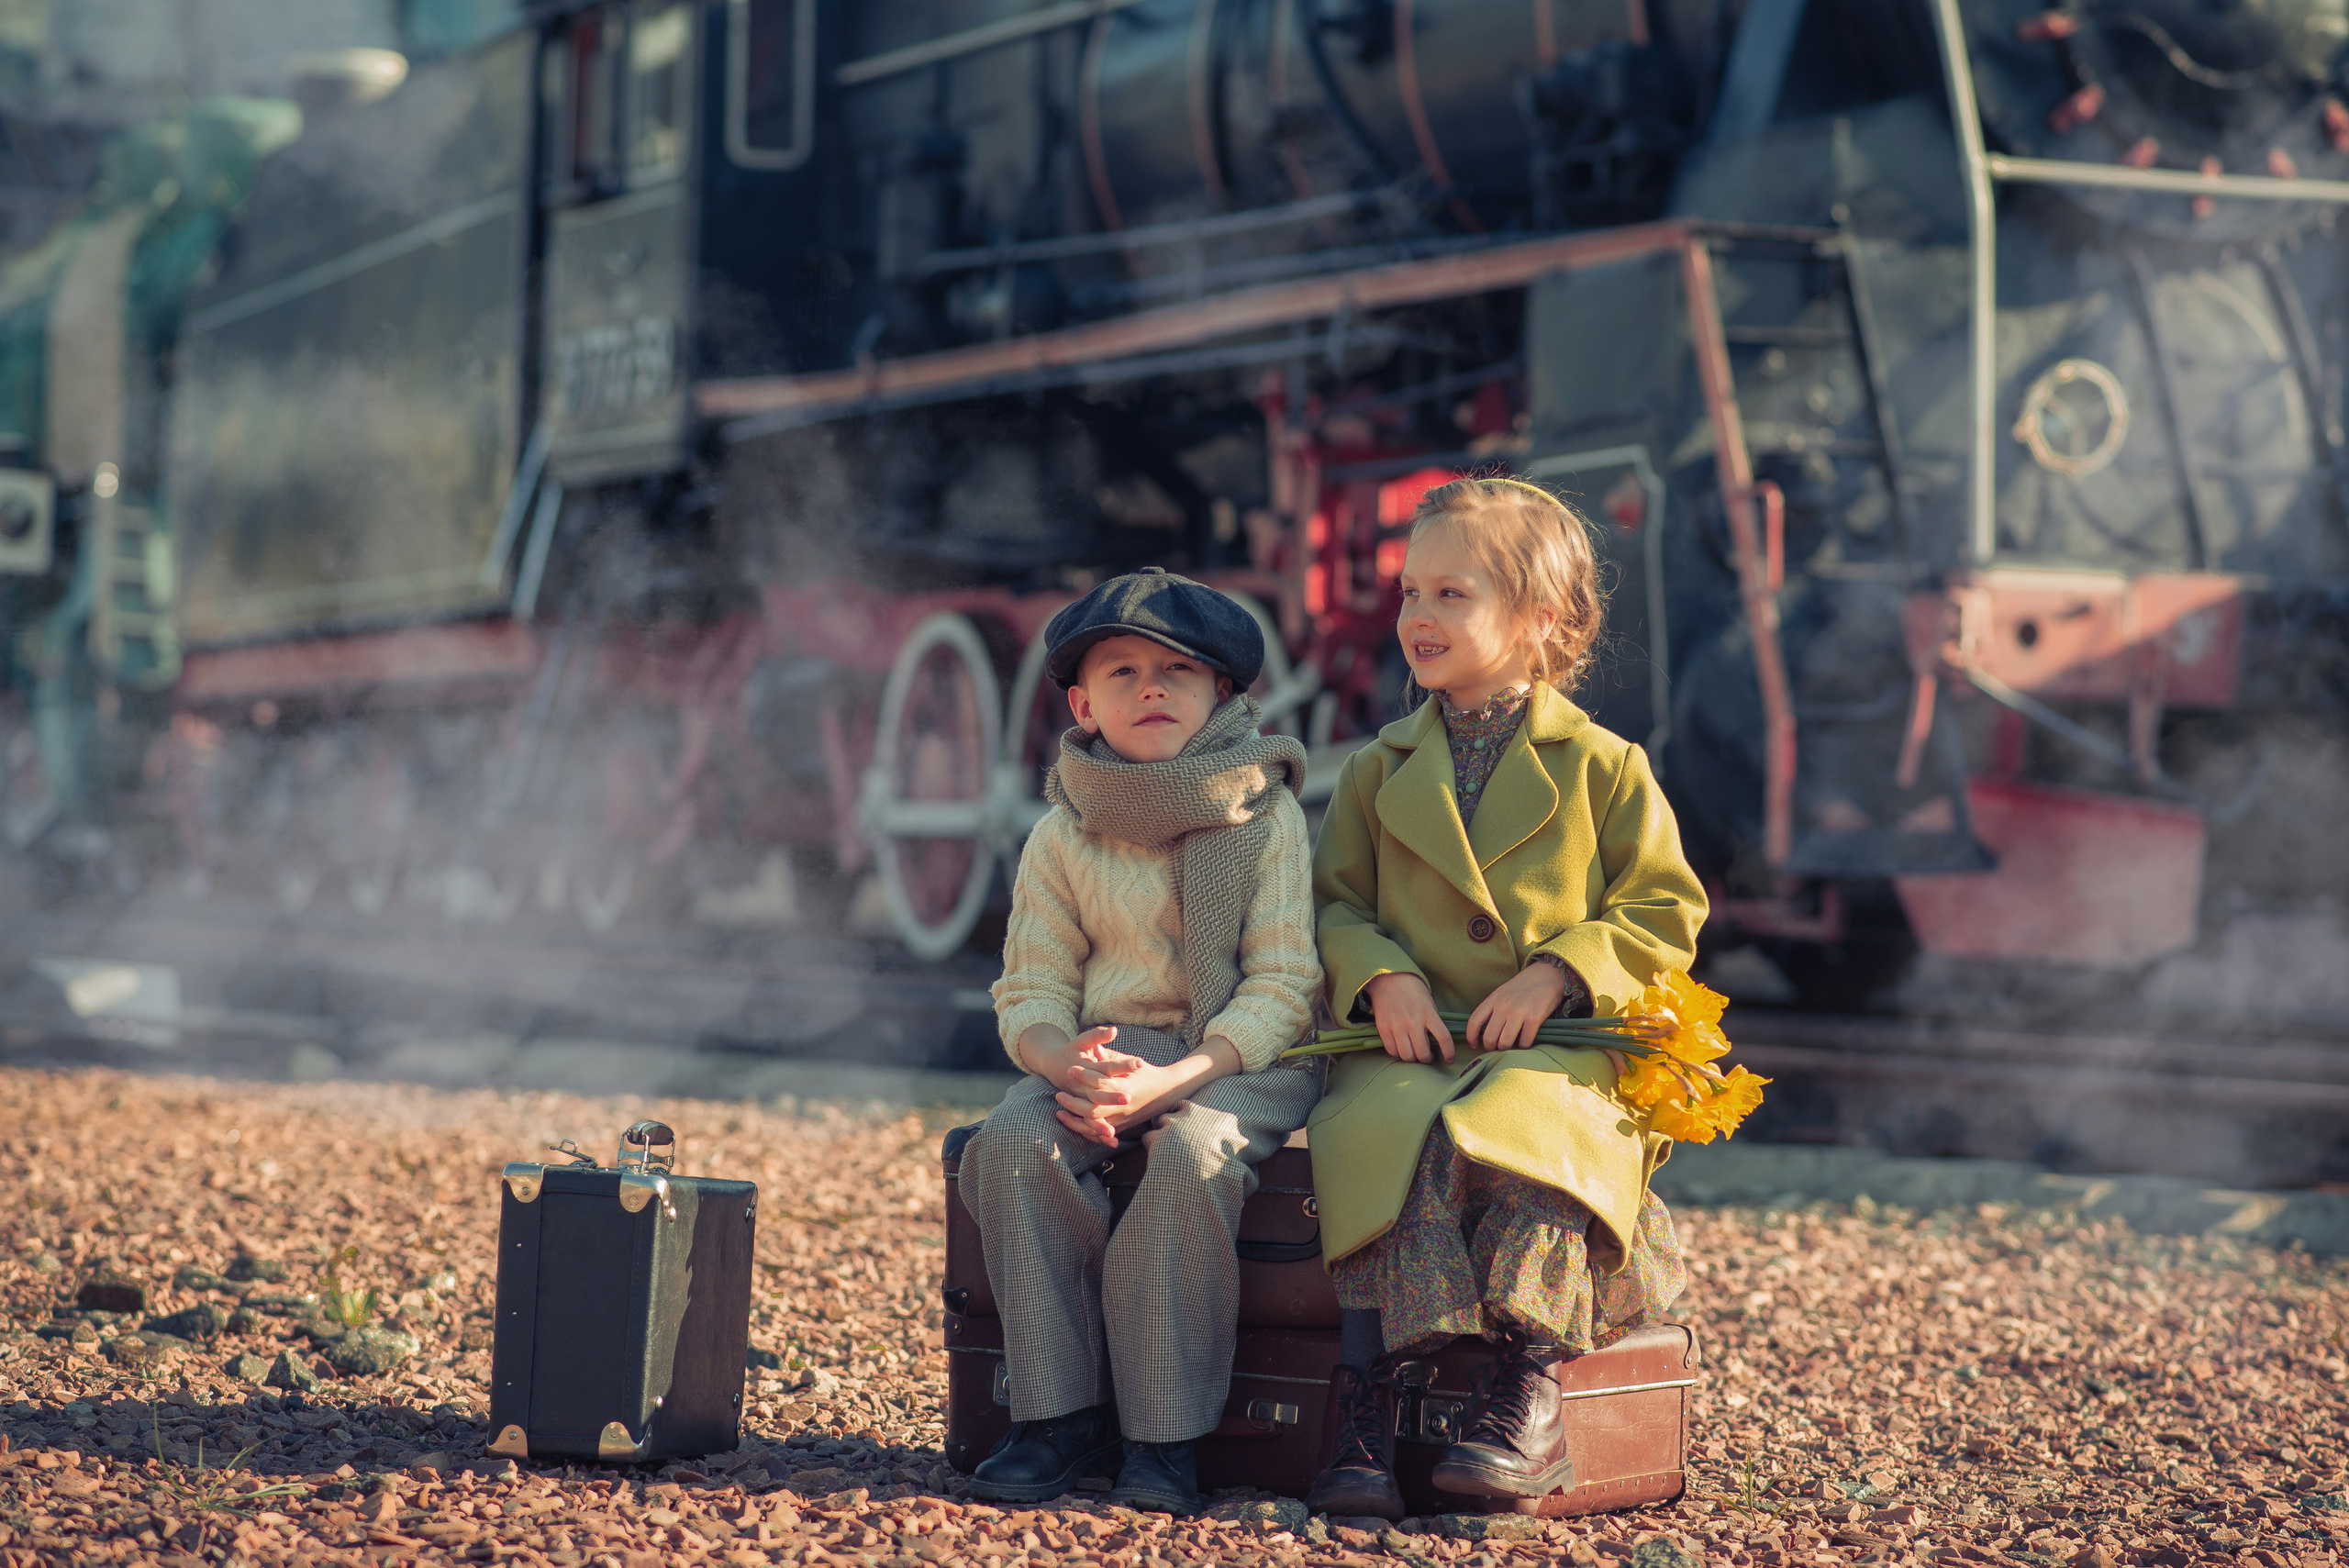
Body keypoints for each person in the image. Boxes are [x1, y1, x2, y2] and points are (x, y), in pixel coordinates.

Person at [1300, 477, 1708, 1518]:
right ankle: (1368, 1398)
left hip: (1559, 1046)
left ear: (1541, 618)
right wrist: (1382, 975)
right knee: (1389, 1134)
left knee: (1531, 1132)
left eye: (1452, 593)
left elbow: (1665, 906)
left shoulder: (1606, 767)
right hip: (1415, 1042)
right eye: (1409, 592)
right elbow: (1335, 902)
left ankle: (1526, 1391)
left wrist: (1559, 968)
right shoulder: (1376, 769)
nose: (1418, 616)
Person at [954, 567, 1322, 1515]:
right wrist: (1060, 1061)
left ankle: (1164, 1439)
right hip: (1109, 1055)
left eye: (1177, 670)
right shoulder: (1062, 832)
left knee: (1191, 1153)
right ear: (1083, 705)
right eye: (1122, 671)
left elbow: (1284, 986)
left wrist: (1178, 1081)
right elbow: (1032, 985)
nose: (1151, 687)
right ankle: (1060, 1416)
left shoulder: (1265, 812)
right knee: (1011, 1141)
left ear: (1221, 692)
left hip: (1237, 1057)